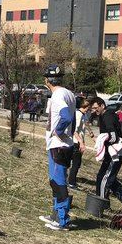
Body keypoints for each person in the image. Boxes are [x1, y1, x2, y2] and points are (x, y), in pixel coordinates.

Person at [38, 65, 76, 231]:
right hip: (65, 145)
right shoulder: (69, 93)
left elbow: (67, 116)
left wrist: (58, 131)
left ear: (47, 80)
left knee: (59, 182)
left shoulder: (59, 94)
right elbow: (73, 118)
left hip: (58, 145)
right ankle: (55, 215)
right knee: (55, 181)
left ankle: (62, 220)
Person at [90, 97, 122, 212]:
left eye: (96, 108)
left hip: (115, 153)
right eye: (93, 109)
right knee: (106, 178)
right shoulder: (103, 115)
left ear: (102, 105)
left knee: (104, 179)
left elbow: (113, 136)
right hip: (111, 152)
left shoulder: (108, 116)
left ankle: (101, 206)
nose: (94, 111)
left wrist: (102, 140)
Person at [68, 99, 91, 190]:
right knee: (76, 163)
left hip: (79, 142)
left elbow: (86, 125)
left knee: (77, 164)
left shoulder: (83, 115)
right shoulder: (78, 115)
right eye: (88, 107)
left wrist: (90, 133)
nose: (89, 109)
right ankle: (71, 182)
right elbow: (74, 131)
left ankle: (71, 180)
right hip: (75, 142)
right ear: (84, 106)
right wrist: (81, 143)